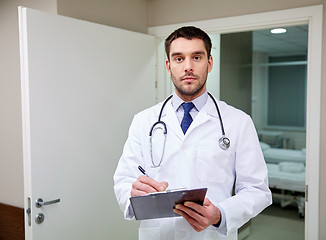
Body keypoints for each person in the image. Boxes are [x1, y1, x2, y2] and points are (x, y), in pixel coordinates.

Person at [114, 26, 272, 240]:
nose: (188, 67)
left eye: (196, 57)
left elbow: (257, 190)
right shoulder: (144, 121)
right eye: (179, 59)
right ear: (169, 66)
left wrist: (220, 215)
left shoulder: (238, 122)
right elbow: (124, 180)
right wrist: (133, 193)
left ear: (209, 63)